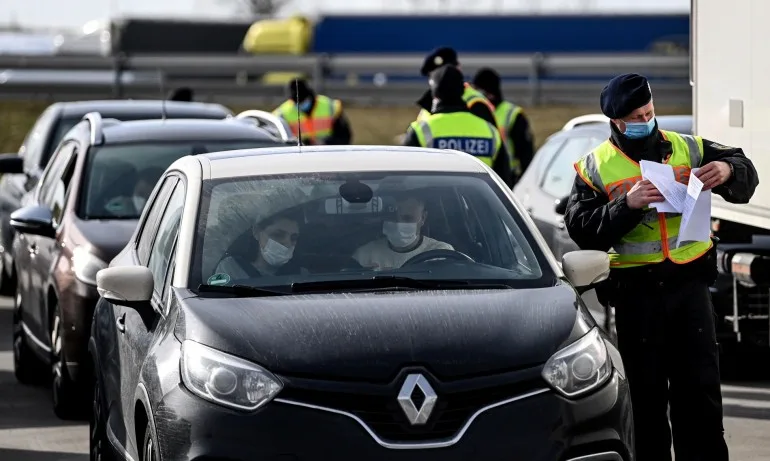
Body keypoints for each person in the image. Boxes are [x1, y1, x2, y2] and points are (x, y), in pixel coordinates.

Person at [565, 73, 759, 461]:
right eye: (636, 117)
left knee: (700, 399)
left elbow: (744, 168)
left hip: (691, 291)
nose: (646, 121)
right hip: (637, 298)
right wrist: (627, 205)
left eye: (649, 112)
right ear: (617, 122)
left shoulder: (688, 147)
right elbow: (582, 230)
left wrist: (728, 172)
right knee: (646, 405)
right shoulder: (595, 166)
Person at [403, 65, 512, 186]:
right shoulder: (490, 131)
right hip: (478, 198)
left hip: (435, 198)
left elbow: (405, 180)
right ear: (463, 91)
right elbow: (504, 183)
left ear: (434, 95)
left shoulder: (421, 130)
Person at [353, 194, 453, 271]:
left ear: (423, 218)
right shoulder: (364, 255)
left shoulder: (441, 254)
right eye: (393, 217)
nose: (399, 224)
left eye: (408, 218)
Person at [472, 67, 535, 184]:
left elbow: (526, 154)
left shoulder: (512, 114)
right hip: (480, 174)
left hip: (507, 178)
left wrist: (522, 182)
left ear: (488, 93)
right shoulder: (475, 112)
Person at [414, 47, 498, 128]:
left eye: (448, 71)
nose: (443, 76)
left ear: (459, 69)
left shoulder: (476, 103)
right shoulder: (426, 108)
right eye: (438, 74)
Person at [215, 209, 305, 279]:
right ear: (257, 232)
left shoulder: (302, 275)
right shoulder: (231, 268)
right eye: (278, 235)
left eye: (294, 238)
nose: (288, 243)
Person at [273, 78, 352, 145]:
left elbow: (344, 137)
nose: (301, 104)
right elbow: (277, 142)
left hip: (328, 152)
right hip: (299, 155)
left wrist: (324, 143)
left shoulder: (330, 107)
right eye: (297, 102)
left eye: (303, 100)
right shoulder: (281, 115)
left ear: (309, 95)